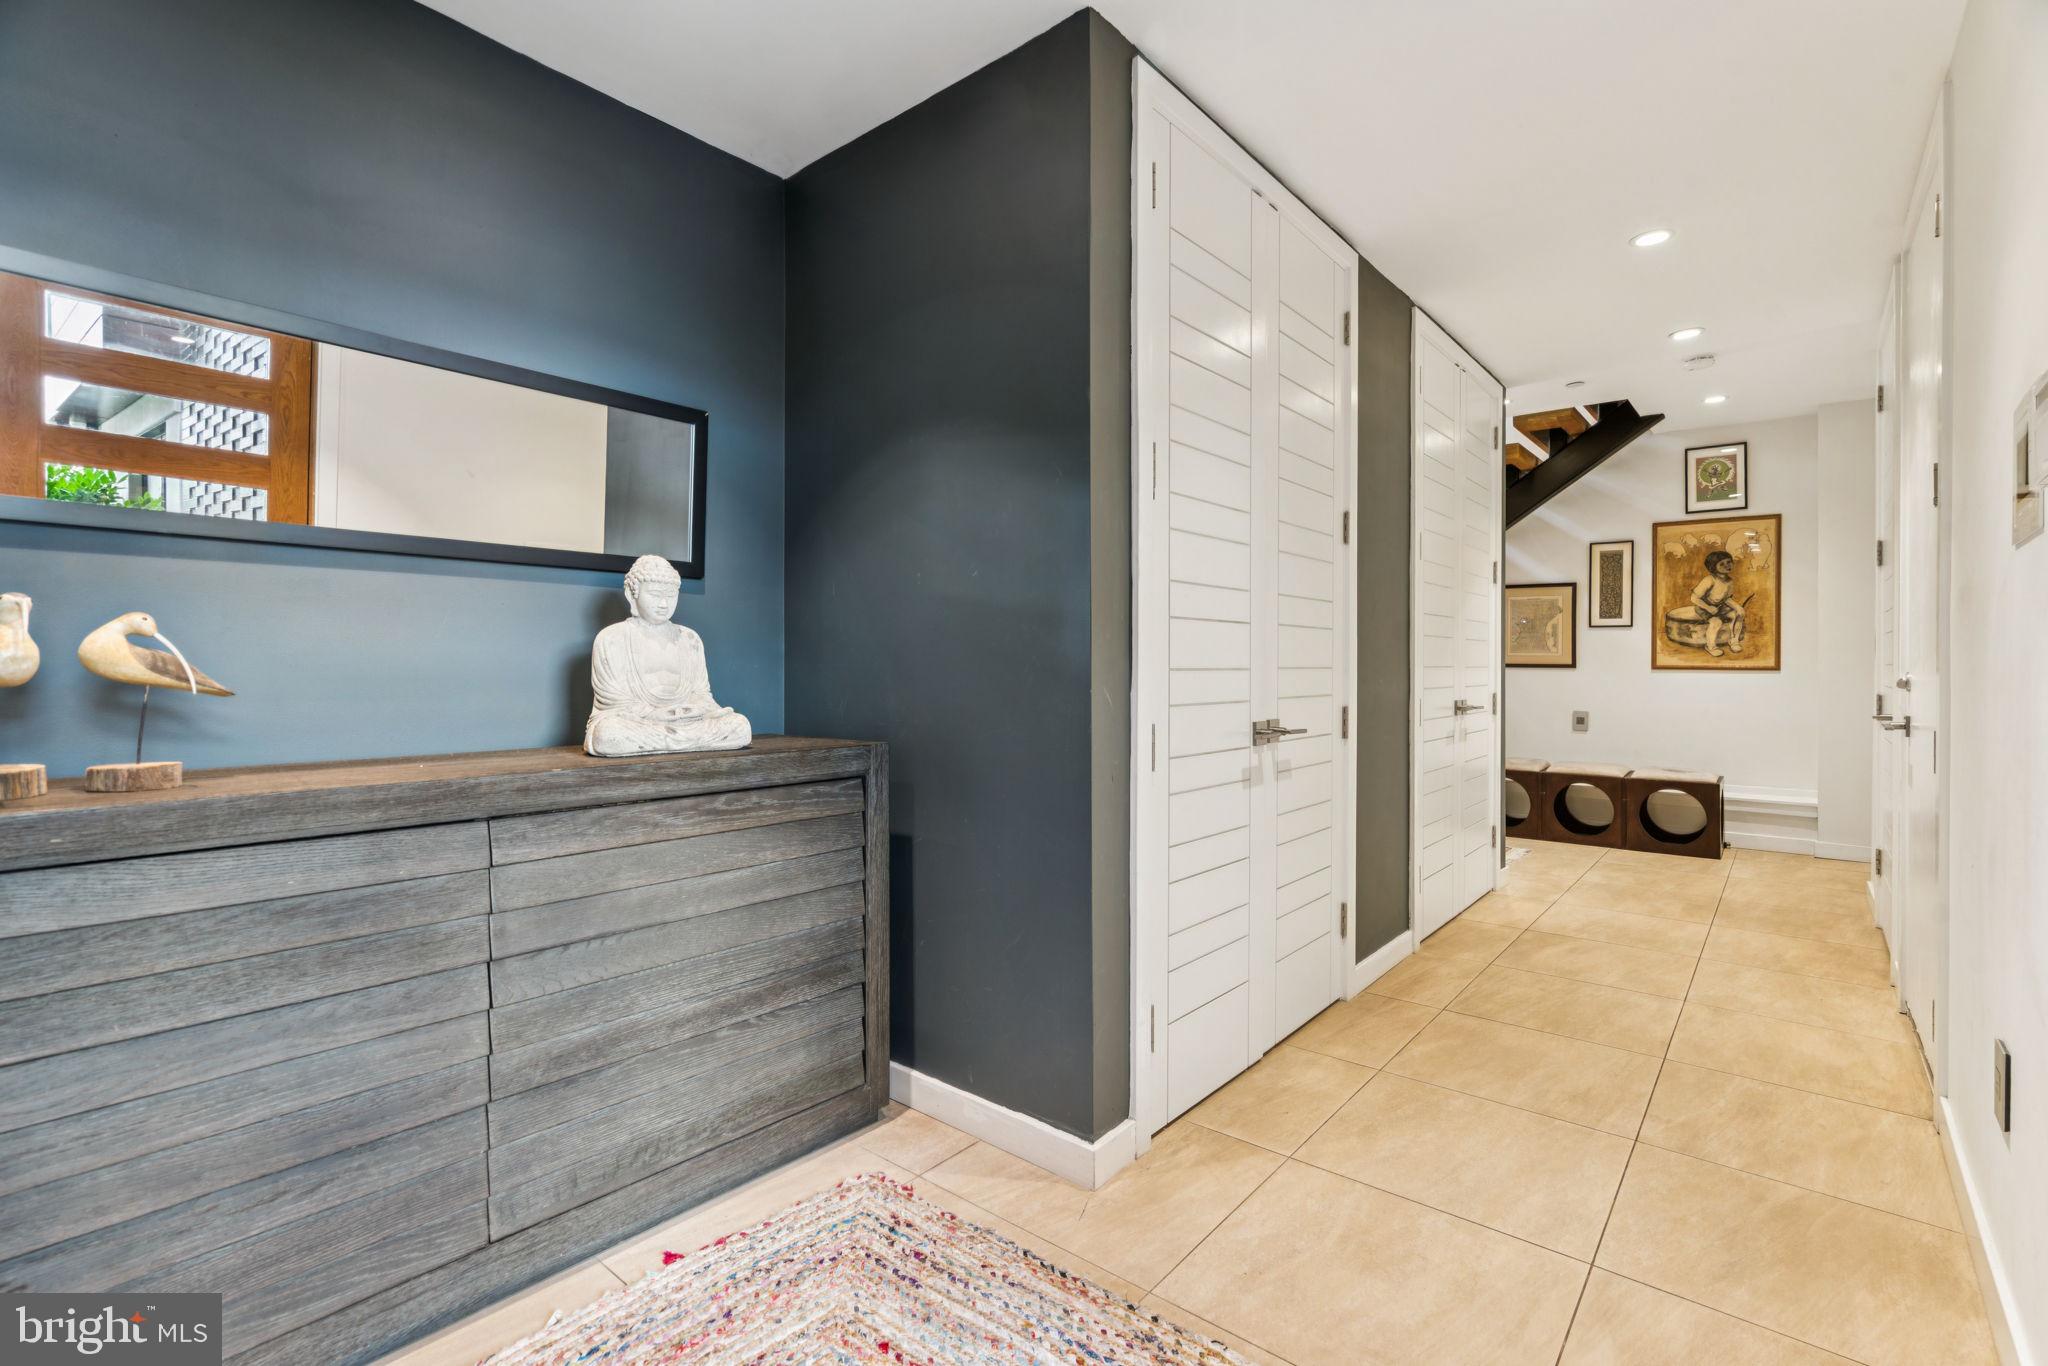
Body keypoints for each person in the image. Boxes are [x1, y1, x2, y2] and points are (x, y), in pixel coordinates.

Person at [585, 554, 752, 755]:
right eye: (655, 595)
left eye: (671, 595)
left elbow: (701, 694)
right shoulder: (611, 639)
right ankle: (685, 741)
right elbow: (614, 702)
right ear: (631, 594)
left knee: (739, 725)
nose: (664, 604)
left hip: (686, 723)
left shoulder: (690, 639)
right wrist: (655, 714)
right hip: (641, 723)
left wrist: (694, 710)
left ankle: (674, 740)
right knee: (608, 733)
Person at [1690, 549, 1746, 657]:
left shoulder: (1729, 581)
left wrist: (1737, 607)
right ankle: (1711, 646)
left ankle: (1734, 640)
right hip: (1704, 607)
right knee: (1716, 622)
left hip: (1720, 606)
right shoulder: (1709, 580)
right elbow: (1694, 598)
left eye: (1729, 562)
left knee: (1740, 613)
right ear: (1713, 567)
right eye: (1722, 564)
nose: (1727, 565)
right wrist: (1708, 608)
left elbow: (1726, 598)